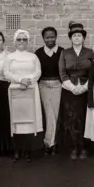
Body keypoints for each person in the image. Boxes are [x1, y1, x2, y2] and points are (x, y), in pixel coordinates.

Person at [4, 29, 44, 162]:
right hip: (16, 89)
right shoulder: (10, 57)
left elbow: (38, 72)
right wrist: (20, 80)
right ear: (15, 42)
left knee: (29, 119)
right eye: (19, 39)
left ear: (27, 41)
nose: (22, 42)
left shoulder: (33, 57)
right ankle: (17, 150)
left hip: (31, 89)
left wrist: (28, 81)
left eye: (24, 39)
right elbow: (7, 73)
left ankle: (28, 150)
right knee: (16, 120)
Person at [58, 21, 94, 160]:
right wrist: (73, 87)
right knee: (71, 119)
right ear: (71, 38)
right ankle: (74, 147)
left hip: (86, 90)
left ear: (83, 38)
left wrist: (84, 87)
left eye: (79, 35)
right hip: (70, 90)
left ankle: (85, 147)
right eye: (74, 36)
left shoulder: (90, 52)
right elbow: (62, 73)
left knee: (85, 118)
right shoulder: (65, 52)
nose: (77, 38)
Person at [35, 27, 64, 155]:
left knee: (57, 114)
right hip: (44, 85)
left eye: (52, 36)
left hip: (58, 85)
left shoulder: (62, 52)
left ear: (56, 37)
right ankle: (50, 143)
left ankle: (52, 143)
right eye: (47, 37)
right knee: (48, 114)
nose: (50, 39)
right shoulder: (38, 53)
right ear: (43, 38)